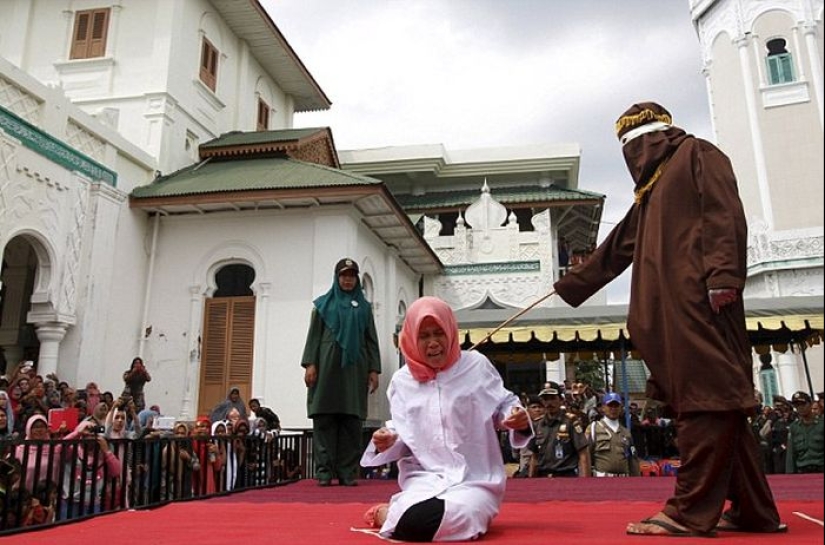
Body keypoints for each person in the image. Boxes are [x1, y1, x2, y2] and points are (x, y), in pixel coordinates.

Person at [554, 101, 785, 536]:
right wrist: (567, 285)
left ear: (659, 136)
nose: (633, 154)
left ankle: (688, 511)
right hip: (668, 313)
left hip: (701, 303)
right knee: (720, 405)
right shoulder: (651, 189)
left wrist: (723, 275)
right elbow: (617, 247)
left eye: (635, 143)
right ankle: (755, 511)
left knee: (706, 400)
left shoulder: (698, 154)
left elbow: (723, 212)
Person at [360, 296, 531, 542]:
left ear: (450, 330)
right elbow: (402, 431)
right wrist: (386, 440)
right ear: (411, 338)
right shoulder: (401, 381)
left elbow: (505, 404)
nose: (433, 343)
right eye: (424, 336)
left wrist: (516, 418)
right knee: (414, 518)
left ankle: (388, 514)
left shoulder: (476, 366)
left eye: (438, 333)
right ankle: (394, 513)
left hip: (474, 481)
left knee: (453, 516)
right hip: (425, 479)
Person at [301, 258, 381, 486]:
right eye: (344, 275)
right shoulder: (322, 306)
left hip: (354, 370)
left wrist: (373, 369)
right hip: (326, 367)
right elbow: (313, 337)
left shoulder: (364, 308)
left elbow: (371, 339)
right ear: (337, 278)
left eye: (352, 276)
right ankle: (324, 472)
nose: (348, 280)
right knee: (324, 418)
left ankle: (347, 472)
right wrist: (310, 364)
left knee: (351, 420)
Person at [530, 382, 590, 478]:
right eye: (546, 399)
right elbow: (534, 457)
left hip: (566, 477)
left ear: (561, 400)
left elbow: (583, 453)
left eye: (553, 398)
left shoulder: (571, 422)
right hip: (543, 477)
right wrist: (531, 480)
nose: (549, 403)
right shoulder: (537, 425)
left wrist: (585, 481)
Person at [586, 393, 639, 477]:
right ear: (603, 407)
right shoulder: (594, 428)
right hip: (602, 479)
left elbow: (633, 460)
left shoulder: (626, 432)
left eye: (616, 406)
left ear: (621, 408)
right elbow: (586, 457)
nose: (613, 409)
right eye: (610, 405)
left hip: (624, 479)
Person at [785, 391, 824, 474]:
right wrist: (790, 474)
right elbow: (791, 454)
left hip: (821, 469)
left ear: (810, 404)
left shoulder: (821, 424)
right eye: (797, 405)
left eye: (803, 404)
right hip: (802, 471)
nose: (800, 408)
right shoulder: (794, 427)